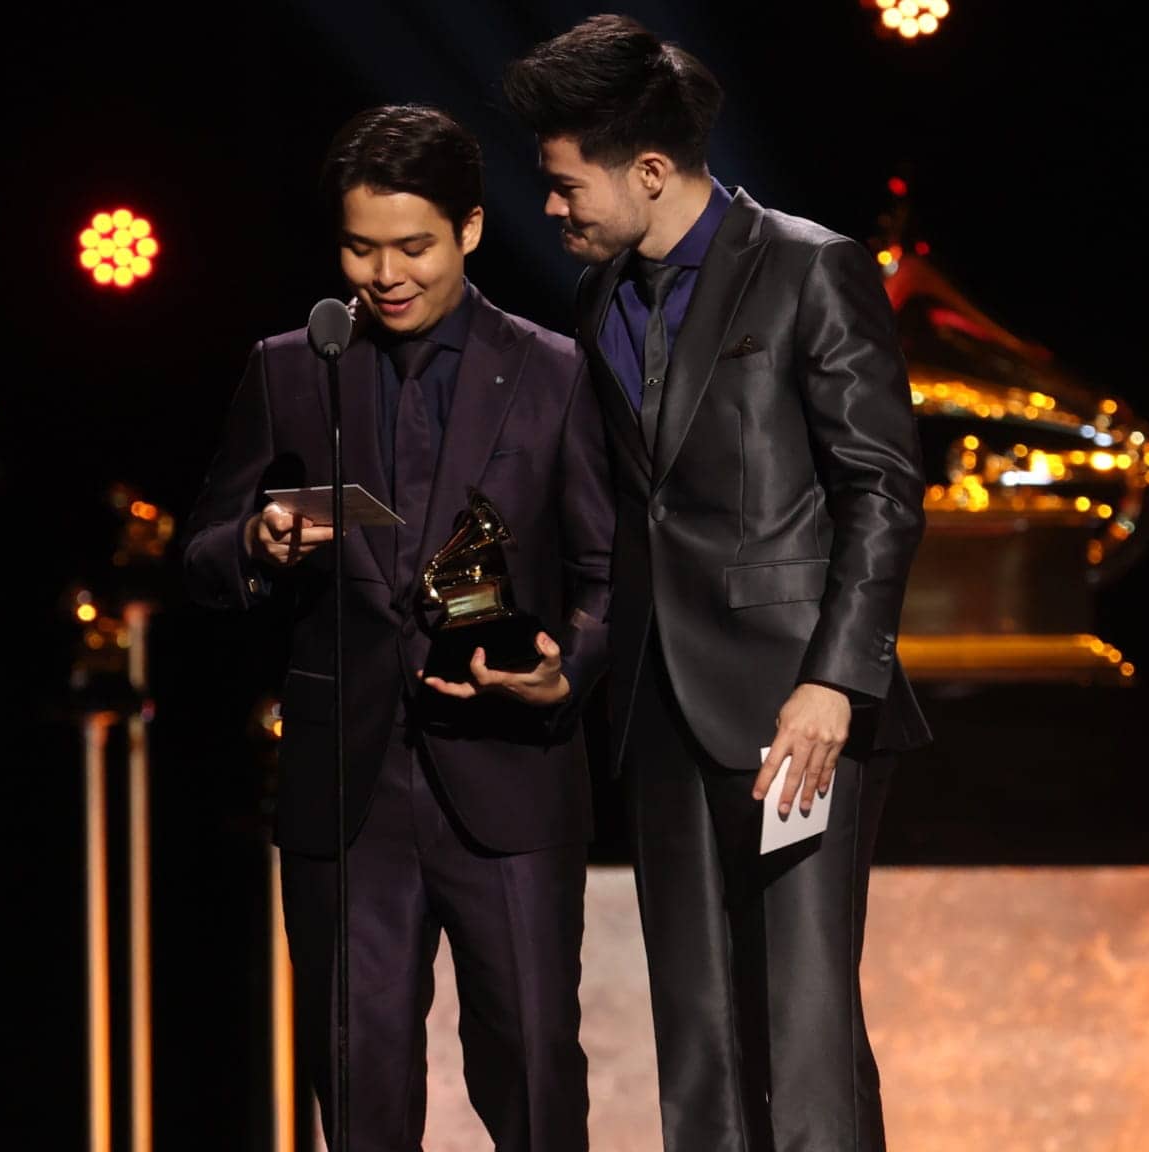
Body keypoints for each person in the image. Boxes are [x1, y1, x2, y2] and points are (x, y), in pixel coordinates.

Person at [504, 17, 930, 1152]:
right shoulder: (594, 307)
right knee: (696, 1033)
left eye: (561, 184)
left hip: (800, 712)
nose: (549, 209)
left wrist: (835, 680)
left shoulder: (807, 267)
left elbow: (880, 490)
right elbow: (611, 526)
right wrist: (574, 658)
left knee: (800, 1028)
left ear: (648, 171)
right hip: (656, 709)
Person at [182, 103, 613, 1151]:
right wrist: (258, 539)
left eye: (412, 246)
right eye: (360, 248)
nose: (385, 275)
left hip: (508, 773)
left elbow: (609, 572)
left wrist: (567, 670)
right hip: (348, 789)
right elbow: (201, 555)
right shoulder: (291, 369)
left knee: (531, 1066)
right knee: (359, 1070)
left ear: (468, 229)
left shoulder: (551, 371)